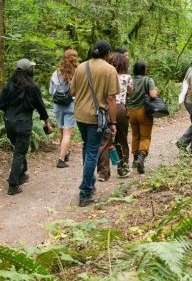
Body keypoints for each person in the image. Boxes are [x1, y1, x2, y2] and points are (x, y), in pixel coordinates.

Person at [70, 40, 119, 206]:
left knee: (87, 148)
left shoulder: (81, 67)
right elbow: (111, 98)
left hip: (79, 115)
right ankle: (84, 192)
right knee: (92, 151)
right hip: (96, 117)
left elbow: (72, 91)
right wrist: (113, 122)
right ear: (108, 53)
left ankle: (89, 184)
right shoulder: (109, 70)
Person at [0, 59, 53, 195]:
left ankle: (22, 174)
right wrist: (47, 123)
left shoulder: (9, 85)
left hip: (9, 123)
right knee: (20, 152)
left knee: (19, 150)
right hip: (23, 124)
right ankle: (13, 184)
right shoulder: (33, 88)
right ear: (28, 70)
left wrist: (9, 110)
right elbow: (41, 108)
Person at [97, 51, 133, 179]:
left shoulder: (105, 76)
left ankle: (103, 172)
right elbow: (131, 91)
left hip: (105, 108)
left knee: (105, 141)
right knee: (122, 139)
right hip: (120, 109)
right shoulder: (127, 77)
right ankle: (122, 168)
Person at [127, 59, 158, 174]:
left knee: (135, 135)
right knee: (145, 136)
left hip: (131, 111)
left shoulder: (130, 79)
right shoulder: (148, 80)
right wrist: (156, 90)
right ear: (144, 70)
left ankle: (135, 158)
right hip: (143, 111)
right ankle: (141, 157)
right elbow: (153, 95)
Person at [49, 48, 79, 168]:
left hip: (57, 106)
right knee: (67, 133)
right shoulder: (77, 73)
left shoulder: (56, 73)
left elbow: (51, 91)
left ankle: (65, 152)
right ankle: (61, 159)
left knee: (62, 131)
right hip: (70, 106)